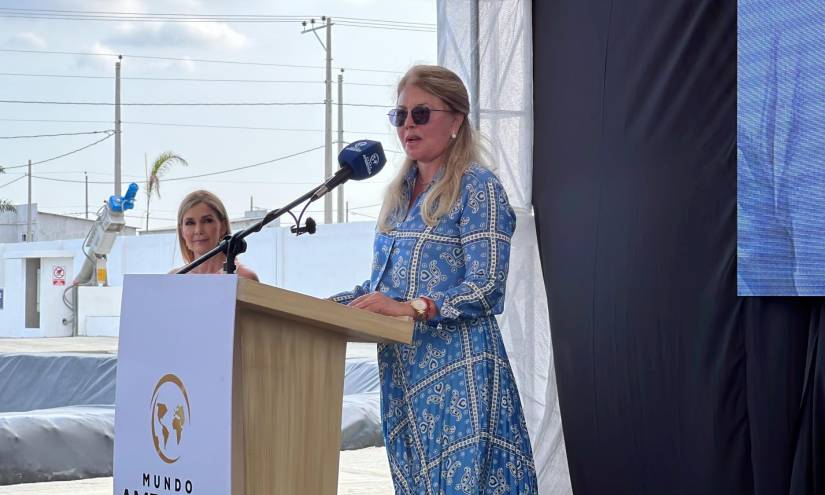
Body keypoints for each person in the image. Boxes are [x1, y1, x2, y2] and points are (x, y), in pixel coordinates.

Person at [330, 65, 537, 494]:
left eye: (420, 114)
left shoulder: (477, 187)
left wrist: (413, 308)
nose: (407, 125)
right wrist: (315, 306)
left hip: (459, 375)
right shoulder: (397, 198)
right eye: (400, 115)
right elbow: (379, 291)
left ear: (456, 120)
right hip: (403, 376)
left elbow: (486, 285)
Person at [171, 190, 259, 281]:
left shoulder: (244, 277)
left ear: (223, 227)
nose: (198, 230)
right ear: (181, 231)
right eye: (190, 223)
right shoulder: (173, 278)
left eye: (207, 221)